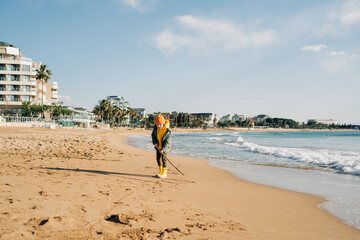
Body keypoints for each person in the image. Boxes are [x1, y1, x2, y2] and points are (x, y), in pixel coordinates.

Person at [151, 114, 171, 179]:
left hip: (164, 147)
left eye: (160, 124)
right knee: (158, 159)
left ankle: (164, 173)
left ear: (163, 123)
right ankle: (160, 172)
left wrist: (163, 149)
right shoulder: (156, 128)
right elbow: (153, 136)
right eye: (157, 124)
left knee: (164, 159)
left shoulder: (167, 131)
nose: (158, 126)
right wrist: (155, 142)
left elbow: (167, 142)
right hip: (158, 146)